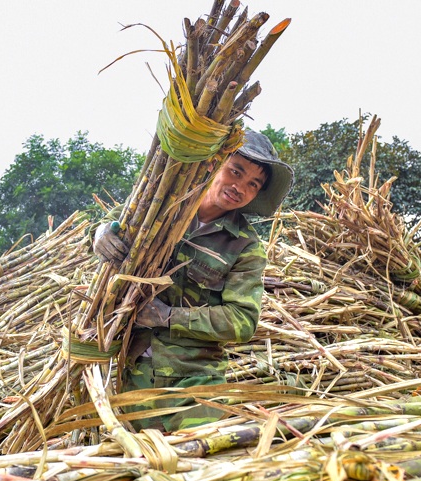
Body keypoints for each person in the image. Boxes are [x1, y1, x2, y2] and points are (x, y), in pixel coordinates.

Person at [93, 130, 293, 432]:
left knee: (199, 463)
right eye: (235, 171)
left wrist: (169, 317)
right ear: (215, 163)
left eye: (253, 184)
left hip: (195, 384)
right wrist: (99, 234)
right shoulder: (162, 207)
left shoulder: (245, 247)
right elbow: (113, 224)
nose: (239, 187)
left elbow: (242, 321)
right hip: (129, 375)